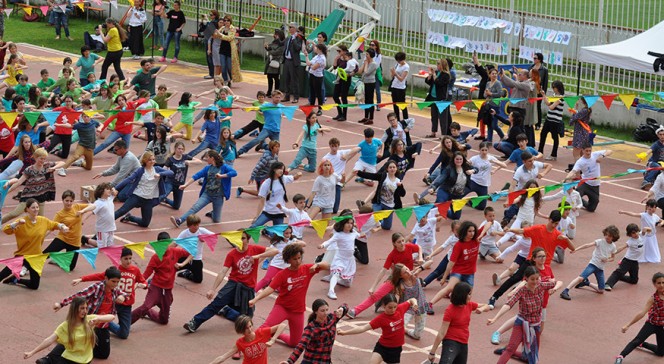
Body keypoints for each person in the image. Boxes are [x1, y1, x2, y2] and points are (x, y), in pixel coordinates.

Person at [183, 230, 278, 333]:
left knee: (246, 320)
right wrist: (212, 289)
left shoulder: (254, 249)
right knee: (216, 304)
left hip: (248, 288)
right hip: (233, 284)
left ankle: (226, 311)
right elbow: (223, 272)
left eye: (243, 238)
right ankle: (194, 322)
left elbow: (275, 251)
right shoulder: (232, 254)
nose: (241, 240)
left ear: (248, 240)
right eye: (238, 238)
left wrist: (257, 257)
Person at [249, 244, 330, 348]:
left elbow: (327, 265)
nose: (298, 261)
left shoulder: (307, 269)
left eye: (299, 258)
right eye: (294, 259)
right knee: (264, 328)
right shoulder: (282, 274)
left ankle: (275, 333)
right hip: (282, 307)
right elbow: (270, 289)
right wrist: (255, 299)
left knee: (295, 343)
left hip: (297, 311)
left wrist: (317, 265)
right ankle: (245, 344)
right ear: (288, 260)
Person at [73, 248, 146, 340]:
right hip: (114, 303)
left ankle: (106, 321)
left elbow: (143, 281)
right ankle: (102, 320)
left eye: (130, 258)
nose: (128, 261)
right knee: (100, 323)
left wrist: (143, 285)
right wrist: (82, 279)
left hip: (126, 305)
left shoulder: (135, 270)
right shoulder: (115, 271)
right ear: (120, 259)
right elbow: (99, 276)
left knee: (124, 334)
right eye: (126, 258)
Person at [488, 266, 556, 363]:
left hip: (535, 325)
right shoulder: (521, 290)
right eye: (532, 279)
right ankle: (509, 351)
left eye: (537, 278)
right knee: (511, 348)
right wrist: (495, 318)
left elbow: (556, 283)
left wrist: (555, 288)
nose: (535, 282)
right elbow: (508, 304)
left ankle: (511, 352)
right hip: (521, 323)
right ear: (526, 278)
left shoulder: (541, 285)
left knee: (531, 357)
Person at [347, 232, 422, 319]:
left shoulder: (409, 247)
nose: (402, 243)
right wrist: (373, 287)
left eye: (403, 240)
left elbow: (419, 247)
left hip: (408, 276)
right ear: (394, 244)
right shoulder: (392, 255)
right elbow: (383, 270)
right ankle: (355, 311)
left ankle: (419, 308)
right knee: (376, 295)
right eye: (399, 242)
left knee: (413, 293)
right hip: (395, 278)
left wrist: (420, 257)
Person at [1, 198, 69, 289]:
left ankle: (15, 279)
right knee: (3, 274)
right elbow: (6, 230)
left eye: (37, 207)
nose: (36, 209)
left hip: (36, 257)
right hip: (23, 256)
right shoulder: (22, 222)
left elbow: (54, 224)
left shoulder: (43, 220)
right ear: (27, 209)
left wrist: (62, 226)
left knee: (34, 286)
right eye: (33, 207)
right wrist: (16, 224)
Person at [24, 296, 116, 364]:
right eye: (82, 308)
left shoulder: (89, 319)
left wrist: (99, 319)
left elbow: (111, 317)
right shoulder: (65, 326)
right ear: (75, 310)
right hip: (69, 359)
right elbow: (49, 340)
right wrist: (32, 352)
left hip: (86, 359)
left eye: (86, 308)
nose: (85, 311)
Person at [131, 232, 191, 325]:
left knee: (164, 320)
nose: (165, 246)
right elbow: (147, 273)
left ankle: (149, 312)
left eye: (166, 244)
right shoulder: (155, 257)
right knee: (146, 306)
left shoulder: (175, 251)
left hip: (168, 288)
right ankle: (126, 321)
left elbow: (191, 252)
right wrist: (137, 283)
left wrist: (182, 264)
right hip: (156, 286)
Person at [338, 295, 418, 364]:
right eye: (390, 307)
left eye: (395, 307)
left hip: (396, 349)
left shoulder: (400, 309)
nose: (393, 310)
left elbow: (412, 300)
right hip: (382, 347)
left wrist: (415, 304)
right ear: (384, 306)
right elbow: (363, 328)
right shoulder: (381, 319)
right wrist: (344, 332)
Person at [426, 282, 490, 364]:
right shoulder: (450, 310)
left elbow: (487, 306)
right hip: (451, 342)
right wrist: (432, 352)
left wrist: (482, 309)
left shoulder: (469, 305)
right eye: (469, 294)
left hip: (463, 342)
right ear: (462, 295)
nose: (471, 296)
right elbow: (442, 332)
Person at [170, 150, 236, 226]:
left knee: (216, 220)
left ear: (212, 158)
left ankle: (212, 214)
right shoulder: (207, 168)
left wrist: (222, 176)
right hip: (207, 194)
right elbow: (196, 176)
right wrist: (185, 185)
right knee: (195, 208)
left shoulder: (224, 167)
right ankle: (180, 220)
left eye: (207, 157)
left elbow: (234, 173)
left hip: (218, 196)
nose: (206, 159)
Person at [613, 272, 664, 364]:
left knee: (661, 353)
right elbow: (642, 313)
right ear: (654, 284)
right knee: (636, 340)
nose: (661, 285)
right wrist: (628, 325)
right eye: (659, 283)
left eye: (663, 283)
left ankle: (643, 344)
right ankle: (620, 356)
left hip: (662, 327)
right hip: (651, 324)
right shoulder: (653, 298)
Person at [558, 225, 619, 301]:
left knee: (601, 290)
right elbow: (587, 245)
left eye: (609, 236)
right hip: (593, 264)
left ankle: (586, 283)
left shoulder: (613, 246)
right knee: (580, 278)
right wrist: (576, 249)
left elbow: (613, 258)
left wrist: (607, 260)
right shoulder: (600, 242)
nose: (607, 237)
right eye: (606, 234)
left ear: (614, 237)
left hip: (600, 268)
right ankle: (565, 291)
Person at [113, 151, 174, 227]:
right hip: (137, 197)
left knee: (145, 223)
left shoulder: (157, 169)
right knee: (122, 211)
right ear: (145, 161)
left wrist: (160, 174)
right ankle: (105, 223)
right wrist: (116, 188)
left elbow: (171, 172)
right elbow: (128, 179)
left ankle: (129, 217)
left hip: (148, 200)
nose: (152, 162)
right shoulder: (140, 170)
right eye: (150, 160)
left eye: (153, 159)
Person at [429, 221, 480, 306]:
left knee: (468, 294)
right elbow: (451, 263)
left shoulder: (476, 241)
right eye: (469, 231)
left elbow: (488, 224)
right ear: (464, 231)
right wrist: (444, 277)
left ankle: (458, 304)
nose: (472, 233)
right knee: (450, 287)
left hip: (470, 272)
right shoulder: (458, 245)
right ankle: (430, 304)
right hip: (458, 271)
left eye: (473, 231)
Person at [282, 300, 347, 364]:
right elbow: (300, 346)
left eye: (327, 310)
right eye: (322, 311)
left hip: (325, 361)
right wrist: (289, 361)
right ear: (315, 311)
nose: (325, 313)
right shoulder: (311, 329)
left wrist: (342, 308)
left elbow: (345, 306)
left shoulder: (331, 318)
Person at [41, 190, 90, 272]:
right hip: (62, 239)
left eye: (71, 201)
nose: (69, 203)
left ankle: (57, 260)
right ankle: (26, 267)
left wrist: (82, 213)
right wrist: (41, 238)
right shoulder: (59, 214)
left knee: (70, 268)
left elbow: (93, 206)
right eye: (67, 201)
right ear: (63, 201)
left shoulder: (77, 207)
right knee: (46, 254)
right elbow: (51, 227)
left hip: (75, 242)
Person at [247, 162, 302, 230]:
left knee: (278, 234)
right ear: (274, 169)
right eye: (279, 169)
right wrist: (256, 216)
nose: (282, 171)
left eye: (282, 169)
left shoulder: (283, 179)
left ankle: (267, 231)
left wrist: (298, 175)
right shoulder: (266, 183)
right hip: (268, 212)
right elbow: (261, 201)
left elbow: (294, 178)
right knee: (253, 227)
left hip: (279, 213)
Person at [208, 316, 286, 364]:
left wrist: (273, 340)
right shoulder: (240, 343)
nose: (250, 329)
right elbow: (224, 357)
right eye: (246, 328)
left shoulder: (261, 333)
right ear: (241, 330)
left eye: (250, 326)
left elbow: (282, 325)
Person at [355, 160, 405, 230]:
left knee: (387, 227)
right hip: (379, 202)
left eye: (394, 167)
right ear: (387, 169)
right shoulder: (383, 176)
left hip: (389, 205)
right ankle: (362, 219)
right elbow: (372, 176)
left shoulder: (398, 181)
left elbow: (403, 194)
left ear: (396, 169)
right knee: (374, 217)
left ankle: (380, 220)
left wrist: (400, 186)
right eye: (390, 167)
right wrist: (360, 173)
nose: (392, 169)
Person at [563, 143, 613, 213]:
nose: (588, 152)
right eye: (586, 151)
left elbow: (610, 151)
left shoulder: (595, 155)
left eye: (590, 150)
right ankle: (568, 209)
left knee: (591, 208)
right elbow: (573, 171)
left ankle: (581, 202)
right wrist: (566, 179)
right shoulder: (580, 161)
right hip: (585, 183)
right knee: (575, 195)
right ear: (582, 151)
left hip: (595, 185)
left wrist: (602, 156)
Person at [319, 216, 360, 300]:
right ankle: (331, 291)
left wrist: (370, 230)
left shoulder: (354, 233)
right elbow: (329, 241)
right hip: (340, 258)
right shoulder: (338, 235)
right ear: (343, 224)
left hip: (350, 260)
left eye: (351, 223)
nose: (349, 225)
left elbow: (361, 235)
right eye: (347, 223)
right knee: (336, 273)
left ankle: (332, 278)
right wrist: (322, 245)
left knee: (348, 284)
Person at [428, 152, 477, 219]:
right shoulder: (449, 168)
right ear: (454, 159)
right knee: (440, 202)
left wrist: (473, 170)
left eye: (460, 159)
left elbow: (477, 169)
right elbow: (441, 178)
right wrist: (433, 188)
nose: (459, 161)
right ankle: (427, 216)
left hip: (457, 194)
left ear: (463, 159)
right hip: (446, 191)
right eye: (457, 159)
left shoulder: (466, 166)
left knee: (456, 217)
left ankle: (443, 211)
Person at [605, 224, 649, 291]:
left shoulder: (641, 235)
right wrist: (613, 253)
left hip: (635, 262)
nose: (636, 234)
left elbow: (648, 229)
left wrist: (647, 228)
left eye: (636, 231)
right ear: (630, 234)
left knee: (634, 281)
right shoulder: (630, 241)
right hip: (627, 261)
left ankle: (621, 277)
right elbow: (622, 248)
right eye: (633, 233)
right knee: (618, 272)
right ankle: (608, 284)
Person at [537, 80, 565, 161]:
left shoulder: (561, 98)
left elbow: (551, 107)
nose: (553, 89)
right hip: (549, 119)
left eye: (554, 87)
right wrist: (543, 95)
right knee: (543, 134)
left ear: (558, 88)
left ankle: (554, 154)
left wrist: (549, 102)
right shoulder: (554, 95)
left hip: (555, 121)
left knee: (555, 137)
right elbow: (548, 103)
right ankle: (540, 151)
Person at [424, 58, 451, 138]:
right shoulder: (436, 72)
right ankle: (433, 131)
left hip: (441, 98)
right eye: (437, 64)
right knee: (434, 115)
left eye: (439, 64)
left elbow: (439, 83)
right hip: (433, 97)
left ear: (443, 65)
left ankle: (444, 134)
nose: (437, 66)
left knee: (442, 117)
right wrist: (429, 76)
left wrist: (434, 76)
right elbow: (429, 82)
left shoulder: (446, 75)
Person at [217, 15, 242, 86]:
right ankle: (225, 80)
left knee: (229, 67)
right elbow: (217, 35)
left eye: (228, 20)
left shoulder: (232, 28)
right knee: (223, 66)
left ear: (230, 21)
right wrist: (218, 34)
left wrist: (221, 35)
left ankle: (230, 79)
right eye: (225, 21)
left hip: (230, 50)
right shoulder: (222, 28)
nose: (226, 22)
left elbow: (230, 38)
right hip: (222, 48)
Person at [282, 22, 303, 103]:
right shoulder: (289, 37)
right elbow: (283, 44)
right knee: (286, 79)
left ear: (295, 29)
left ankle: (296, 97)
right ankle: (287, 96)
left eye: (291, 27)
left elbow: (298, 48)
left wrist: (294, 39)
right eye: (289, 27)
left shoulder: (298, 38)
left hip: (293, 62)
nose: (289, 29)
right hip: (287, 60)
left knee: (294, 80)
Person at [304, 43, 327, 116]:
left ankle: (320, 109)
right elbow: (308, 63)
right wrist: (306, 56)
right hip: (312, 75)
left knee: (318, 93)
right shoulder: (316, 56)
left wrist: (311, 65)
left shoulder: (322, 58)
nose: (315, 49)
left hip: (318, 77)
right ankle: (311, 107)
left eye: (316, 48)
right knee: (312, 92)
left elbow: (314, 67)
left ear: (320, 49)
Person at [357, 48, 378, 124]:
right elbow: (360, 71)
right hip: (365, 82)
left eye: (367, 54)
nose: (366, 56)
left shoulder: (373, 64)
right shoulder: (366, 62)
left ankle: (371, 118)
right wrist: (364, 64)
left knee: (370, 100)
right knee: (366, 100)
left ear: (371, 55)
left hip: (370, 83)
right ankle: (366, 116)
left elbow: (367, 72)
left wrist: (366, 64)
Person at [264, 29, 285, 96]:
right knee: (269, 77)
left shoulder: (282, 44)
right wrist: (266, 47)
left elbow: (276, 52)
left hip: (276, 62)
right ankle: (269, 91)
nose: (274, 36)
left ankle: (276, 92)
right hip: (270, 62)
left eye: (276, 34)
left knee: (276, 78)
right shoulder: (274, 42)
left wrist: (269, 50)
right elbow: (269, 48)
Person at [389, 51, 409, 121]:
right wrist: (392, 73)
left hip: (400, 88)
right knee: (395, 105)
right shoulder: (397, 64)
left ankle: (406, 120)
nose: (398, 62)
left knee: (402, 105)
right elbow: (392, 76)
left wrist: (395, 73)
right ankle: (397, 120)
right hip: (394, 86)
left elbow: (401, 79)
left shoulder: (406, 67)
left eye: (399, 60)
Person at [202, 10, 220, 79]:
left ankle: (212, 73)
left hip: (210, 40)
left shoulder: (215, 22)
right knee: (209, 57)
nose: (210, 16)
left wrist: (207, 21)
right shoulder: (213, 22)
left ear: (215, 15)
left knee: (210, 57)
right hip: (208, 39)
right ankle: (212, 72)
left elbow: (210, 29)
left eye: (211, 15)